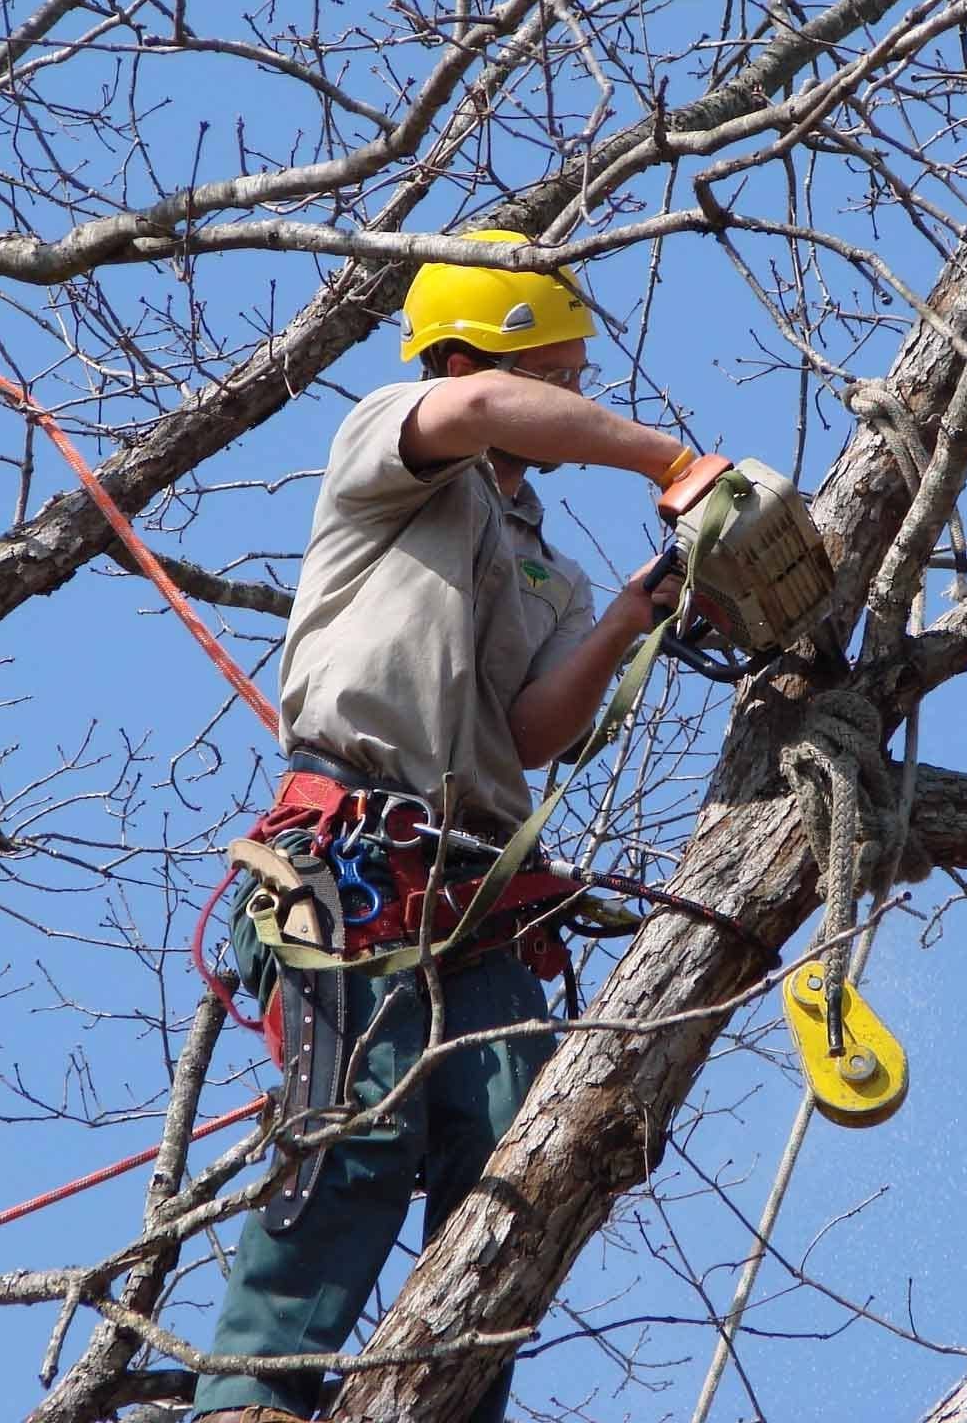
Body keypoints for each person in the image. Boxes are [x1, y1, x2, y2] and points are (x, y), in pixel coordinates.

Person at [192, 230, 692, 1423]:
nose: (568, 402)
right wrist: (674, 458)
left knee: (513, 1164)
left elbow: (530, 734)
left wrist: (631, 612)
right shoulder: (393, 440)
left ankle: (450, 1404)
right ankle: (250, 1394)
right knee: (358, 1134)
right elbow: (470, 405)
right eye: (556, 379)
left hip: (483, 894)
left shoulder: (547, 570)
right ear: (480, 354)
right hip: (352, 861)